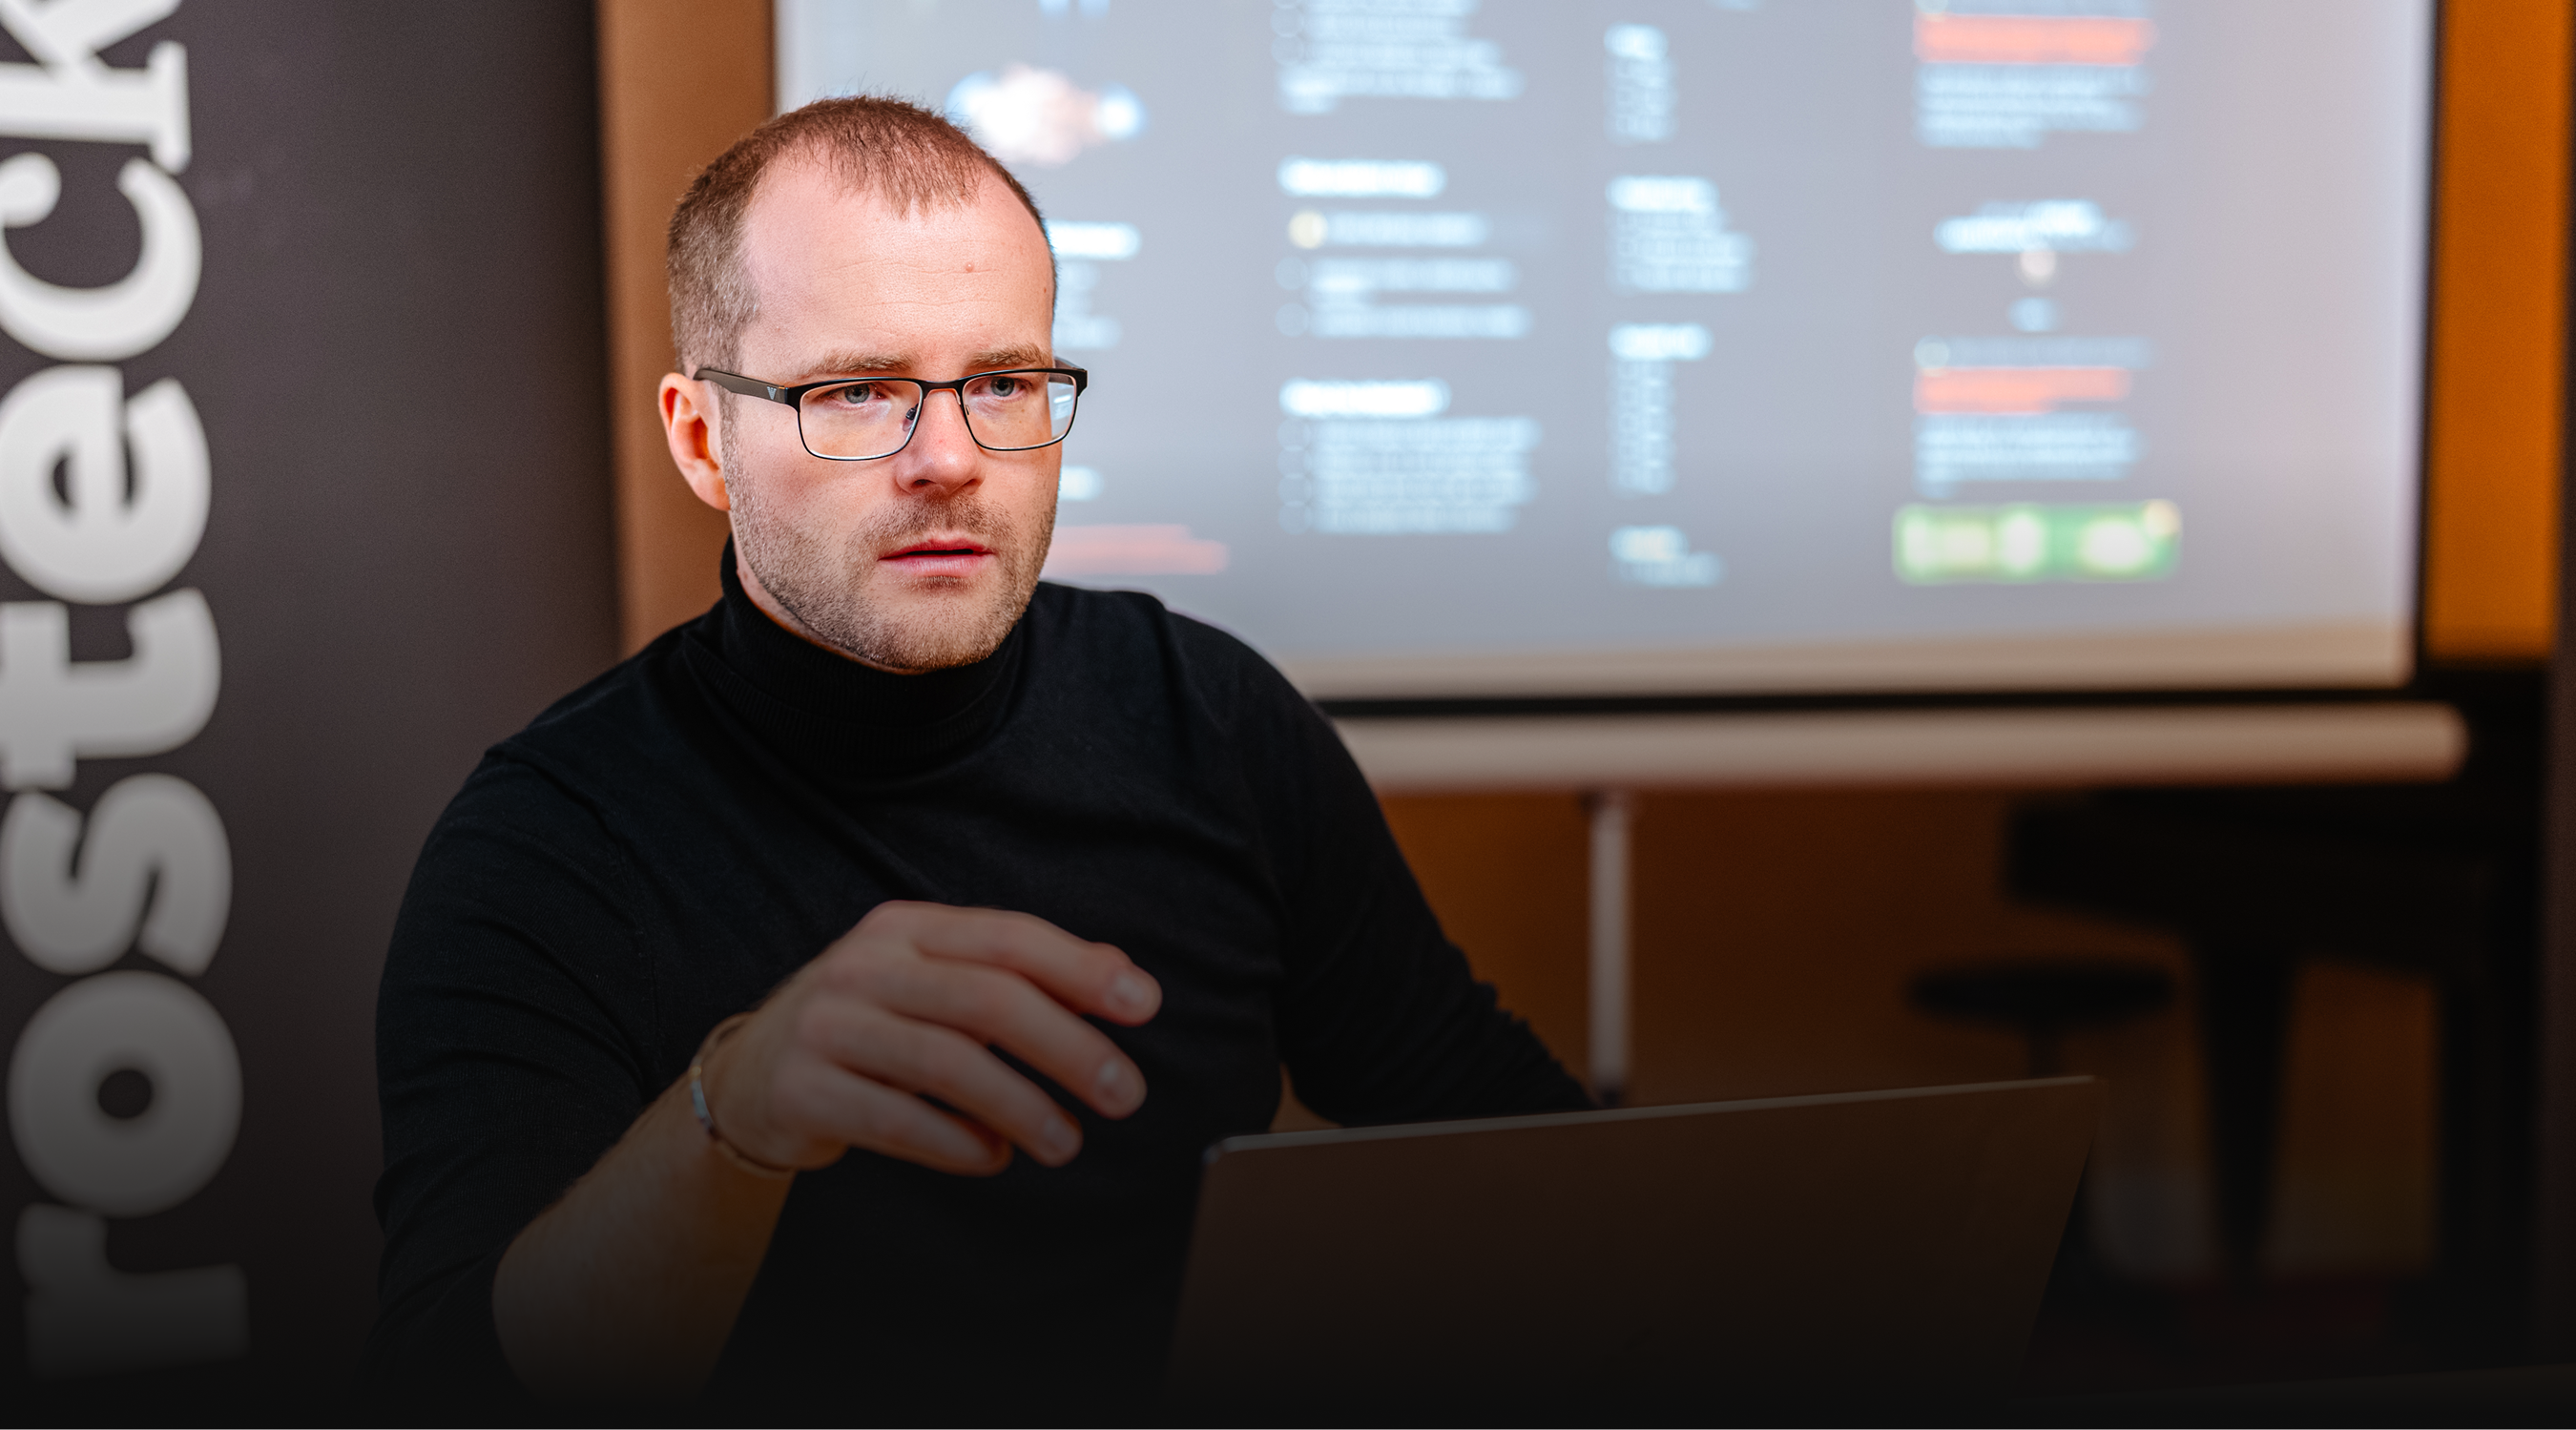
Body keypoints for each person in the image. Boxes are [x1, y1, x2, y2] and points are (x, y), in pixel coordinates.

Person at [365, 95, 1587, 1417]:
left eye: (1002, 382)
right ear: (703, 440)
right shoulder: (548, 845)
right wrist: (735, 1113)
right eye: (857, 390)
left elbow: (1530, 1166)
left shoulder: (1210, 720)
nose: (948, 460)